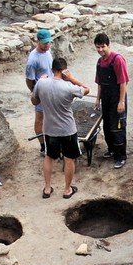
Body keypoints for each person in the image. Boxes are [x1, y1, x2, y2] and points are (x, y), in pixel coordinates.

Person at [31, 57, 90, 199]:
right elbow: (86, 89)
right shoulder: (68, 87)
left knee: (49, 157)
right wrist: (72, 78)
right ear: (64, 70)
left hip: (50, 129)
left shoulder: (41, 83)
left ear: (52, 69)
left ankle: (47, 188)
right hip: (67, 129)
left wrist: (41, 81)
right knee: (69, 158)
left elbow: (34, 101)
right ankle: (67, 189)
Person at [93, 32, 129, 169]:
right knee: (107, 126)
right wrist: (98, 99)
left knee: (117, 127)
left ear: (108, 45)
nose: (100, 50)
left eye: (103, 47)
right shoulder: (99, 62)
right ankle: (112, 150)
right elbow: (100, 83)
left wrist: (121, 102)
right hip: (106, 99)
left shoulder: (118, 60)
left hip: (117, 98)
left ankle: (121, 156)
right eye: (98, 47)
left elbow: (123, 82)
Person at [25, 29, 54, 155]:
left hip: (52, 89)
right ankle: (43, 145)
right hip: (41, 92)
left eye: (49, 42)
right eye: (44, 43)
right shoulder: (32, 60)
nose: (47, 45)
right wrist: (35, 92)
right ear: (38, 42)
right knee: (40, 118)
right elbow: (29, 79)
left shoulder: (48, 51)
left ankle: (52, 141)